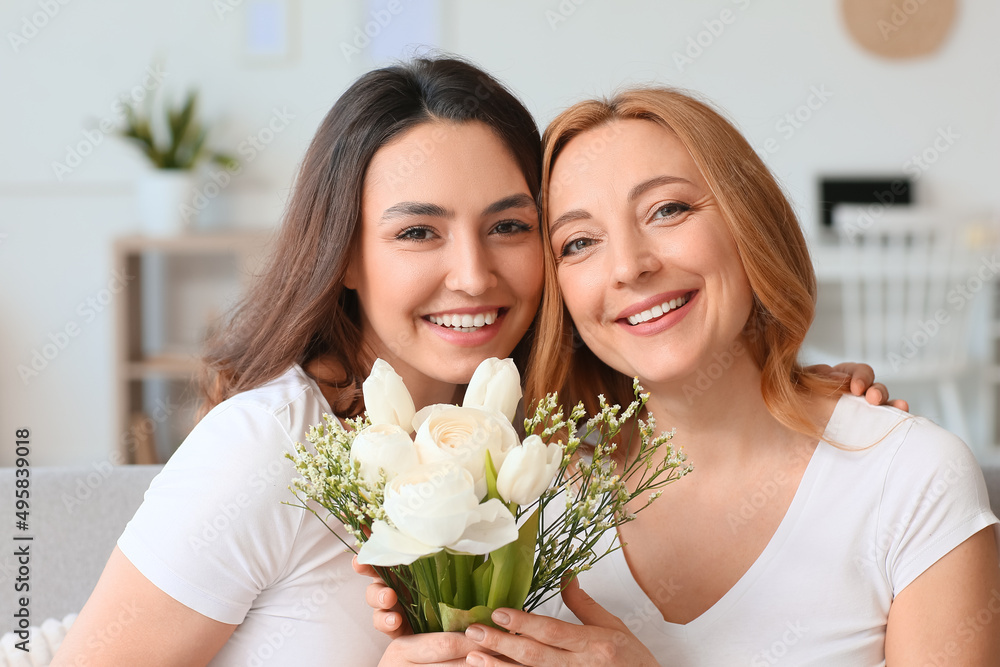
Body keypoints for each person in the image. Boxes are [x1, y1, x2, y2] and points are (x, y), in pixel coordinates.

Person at [53, 57, 891, 666]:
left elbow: (712, 412)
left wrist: (798, 389)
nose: (473, 273)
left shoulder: (548, 447)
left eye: (510, 225)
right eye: (418, 231)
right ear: (345, 254)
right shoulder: (269, 448)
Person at [364, 87, 1000, 666]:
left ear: (749, 223)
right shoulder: (530, 500)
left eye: (667, 210)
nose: (630, 267)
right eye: (579, 242)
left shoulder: (908, 476)